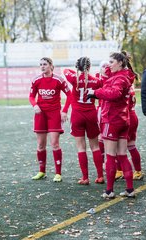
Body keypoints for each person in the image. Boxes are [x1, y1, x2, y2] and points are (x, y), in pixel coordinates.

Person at [86, 51, 136, 199]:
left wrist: (96, 93)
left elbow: (114, 93)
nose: (109, 64)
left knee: (110, 156)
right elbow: (108, 74)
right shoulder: (124, 75)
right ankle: (129, 189)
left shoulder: (120, 78)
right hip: (122, 119)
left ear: (120, 63)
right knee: (122, 155)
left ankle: (109, 191)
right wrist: (109, 67)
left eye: (112, 61)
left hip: (112, 119)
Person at [62, 56, 104, 185]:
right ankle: (100, 176)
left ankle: (85, 178)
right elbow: (101, 84)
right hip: (91, 114)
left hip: (77, 115)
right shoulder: (96, 81)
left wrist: (77, 72)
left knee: (81, 147)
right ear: (89, 67)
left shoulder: (73, 79)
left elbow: (65, 70)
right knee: (95, 146)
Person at [29, 57, 71, 182]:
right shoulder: (36, 80)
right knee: (41, 145)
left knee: (54, 143)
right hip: (40, 114)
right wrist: (35, 105)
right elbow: (31, 96)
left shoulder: (59, 80)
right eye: (40, 64)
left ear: (51, 66)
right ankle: (42, 171)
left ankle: (58, 173)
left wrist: (64, 111)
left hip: (54, 114)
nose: (42, 66)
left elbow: (70, 95)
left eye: (45, 64)